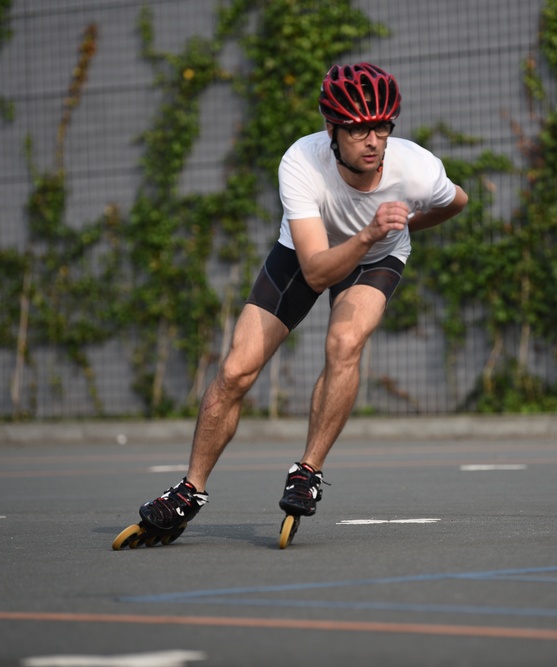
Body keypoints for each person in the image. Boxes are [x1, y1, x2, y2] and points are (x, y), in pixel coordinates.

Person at [135, 62, 468, 540]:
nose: (373, 141)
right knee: (237, 370)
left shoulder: (417, 169)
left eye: (382, 127)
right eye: (358, 130)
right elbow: (315, 271)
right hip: (307, 254)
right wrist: (369, 231)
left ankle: (308, 471)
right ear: (331, 129)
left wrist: (403, 228)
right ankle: (189, 490)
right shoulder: (301, 162)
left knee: (345, 344)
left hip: (377, 258)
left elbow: (457, 201)